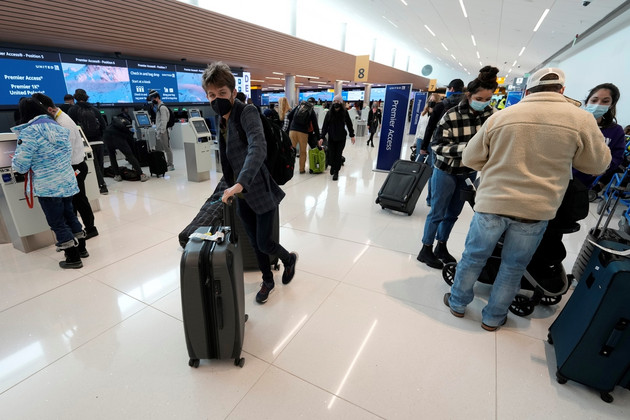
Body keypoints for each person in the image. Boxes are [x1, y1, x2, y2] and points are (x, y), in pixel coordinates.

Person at [445, 68, 611, 331]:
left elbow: (470, 158)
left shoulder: (501, 116)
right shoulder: (581, 119)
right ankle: (493, 317)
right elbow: (596, 164)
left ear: (527, 91)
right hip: (536, 209)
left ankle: (457, 303)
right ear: (562, 91)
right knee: (513, 267)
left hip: (493, 203)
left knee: (473, 257)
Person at [202, 62, 298, 304]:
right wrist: (229, 186)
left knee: (265, 241)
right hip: (239, 193)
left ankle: (288, 259)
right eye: (212, 95)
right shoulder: (221, 121)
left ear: (233, 93)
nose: (217, 99)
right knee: (255, 242)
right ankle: (267, 280)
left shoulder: (247, 113)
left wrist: (241, 182)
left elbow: (258, 147)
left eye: (222, 93)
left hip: (258, 188)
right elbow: (229, 159)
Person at [417, 67, 499, 270]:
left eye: (488, 99)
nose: (484, 102)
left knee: (453, 213)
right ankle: (426, 249)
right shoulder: (451, 115)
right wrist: (469, 150)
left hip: (468, 172)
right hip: (445, 170)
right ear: (469, 95)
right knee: (437, 212)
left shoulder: (492, 116)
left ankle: (441, 246)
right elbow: (437, 146)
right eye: (480, 98)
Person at [11, 98, 89, 269]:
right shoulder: (59, 128)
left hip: (48, 186)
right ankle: (82, 249)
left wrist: (16, 161)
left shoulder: (29, 133)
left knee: (57, 222)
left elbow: (21, 166)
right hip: (67, 182)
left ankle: (73, 258)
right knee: (70, 216)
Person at [32, 93, 99, 239]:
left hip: (75, 167)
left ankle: (90, 228)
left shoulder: (63, 123)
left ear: (49, 109)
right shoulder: (59, 119)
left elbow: (64, 150)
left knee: (79, 200)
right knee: (75, 202)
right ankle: (78, 231)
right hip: (74, 166)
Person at [572, 83, 625, 195]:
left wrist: (605, 167)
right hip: (560, 177)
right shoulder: (572, 123)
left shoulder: (615, 131)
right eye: (594, 100)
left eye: (605, 101)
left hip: (584, 185)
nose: (598, 105)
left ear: (611, 105)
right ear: (587, 102)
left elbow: (617, 157)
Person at [67, 89, 109, 195]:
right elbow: (104, 125)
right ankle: (102, 183)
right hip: (99, 141)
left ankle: (101, 185)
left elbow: (71, 127)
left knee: (93, 165)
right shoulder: (94, 109)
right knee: (100, 164)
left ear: (75, 97)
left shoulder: (73, 110)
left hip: (85, 143)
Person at [420, 79, 465, 159]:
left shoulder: (441, 106)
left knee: (437, 166)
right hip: (461, 147)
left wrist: (424, 146)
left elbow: (430, 127)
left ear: (452, 89)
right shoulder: (467, 105)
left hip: (441, 145)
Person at [103, 115, 149, 182]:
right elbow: (130, 141)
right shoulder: (127, 124)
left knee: (112, 156)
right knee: (129, 155)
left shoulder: (114, 123)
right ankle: (142, 175)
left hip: (106, 136)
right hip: (118, 137)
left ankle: (117, 176)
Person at [320, 94, 355, 181]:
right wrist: (321, 137)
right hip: (331, 137)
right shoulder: (329, 113)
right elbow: (325, 126)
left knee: (338, 154)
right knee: (331, 154)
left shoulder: (344, 113)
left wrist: (352, 135)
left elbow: (349, 124)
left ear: (341, 102)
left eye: (338, 101)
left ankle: (336, 172)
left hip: (341, 137)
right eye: (335, 101)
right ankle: (332, 166)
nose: (336, 103)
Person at [285, 97, 320, 174]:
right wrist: (318, 138)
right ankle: (301, 169)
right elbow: (315, 125)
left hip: (293, 130)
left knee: (291, 151)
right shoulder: (311, 110)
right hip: (303, 132)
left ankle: (289, 168)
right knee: (302, 152)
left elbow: (289, 116)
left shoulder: (298, 106)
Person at [147, 90, 174, 171]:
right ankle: (167, 163)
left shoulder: (162, 108)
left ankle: (170, 164)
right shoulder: (159, 107)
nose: (152, 101)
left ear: (157, 98)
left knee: (167, 148)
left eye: (153, 99)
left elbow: (163, 121)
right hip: (161, 132)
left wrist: (162, 132)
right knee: (165, 148)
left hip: (164, 132)